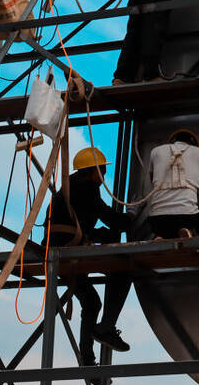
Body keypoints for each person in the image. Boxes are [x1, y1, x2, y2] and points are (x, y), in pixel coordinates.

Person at [44, 146, 133, 365]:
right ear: (93, 171)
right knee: (123, 271)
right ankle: (106, 328)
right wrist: (133, 217)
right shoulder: (88, 187)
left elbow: (86, 223)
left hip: (59, 252)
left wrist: (106, 233)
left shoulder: (68, 188)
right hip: (70, 251)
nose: (103, 176)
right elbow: (110, 219)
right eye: (102, 170)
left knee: (92, 302)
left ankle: (87, 358)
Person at [145, 128, 199, 239]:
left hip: (156, 219)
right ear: (193, 145)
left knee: (165, 224)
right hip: (187, 217)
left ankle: (162, 236)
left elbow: (152, 180)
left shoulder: (156, 152)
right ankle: (186, 233)